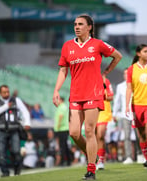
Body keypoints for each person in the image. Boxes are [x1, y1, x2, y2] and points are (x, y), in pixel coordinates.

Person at [52, 14, 122, 180]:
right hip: (75, 95)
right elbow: (63, 70)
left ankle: (91, 169)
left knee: (90, 131)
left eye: (81, 24)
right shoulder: (67, 46)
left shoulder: (98, 44)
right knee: (74, 133)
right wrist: (56, 90)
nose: (76, 27)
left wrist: (105, 73)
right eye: (75, 24)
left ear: (89, 27)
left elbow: (117, 56)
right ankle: (93, 156)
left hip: (94, 93)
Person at [0, 84, 31, 177]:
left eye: (8, 91)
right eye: (4, 92)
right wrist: (6, 107)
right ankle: (5, 172)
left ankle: (17, 170)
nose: (7, 93)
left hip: (14, 130)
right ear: (0, 93)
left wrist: (27, 123)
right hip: (2, 131)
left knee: (16, 151)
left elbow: (25, 111)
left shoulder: (16, 100)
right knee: (1, 153)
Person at [113, 68, 135, 164]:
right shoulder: (120, 86)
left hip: (136, 112)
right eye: (124, 74)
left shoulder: (136, 85)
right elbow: (117, 101)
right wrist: (114, 113)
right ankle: (129, 157)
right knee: (126, 136)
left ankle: (140, 154)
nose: (126, 75)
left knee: (139, 136)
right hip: (125, 114)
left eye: (128, 74)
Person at [96, 76, 114, 170]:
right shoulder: (87, 80)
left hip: (103, 112)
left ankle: (101, 161)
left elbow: (111, 96)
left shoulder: (105, 81)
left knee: (100, 135)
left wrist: (102, 94)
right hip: (91, 110)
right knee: (94, 137)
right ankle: (94, 159)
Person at [54, 97, 71, 166]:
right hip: (64, 129)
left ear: (61, 100)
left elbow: (61, 116)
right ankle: (68, 161)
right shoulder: (64, 107)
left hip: (61, 129)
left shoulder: (61, 107)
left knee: (62, 146)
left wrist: (58, 125)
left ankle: (63, 161)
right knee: (65, 146)